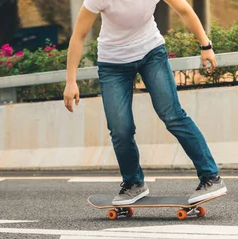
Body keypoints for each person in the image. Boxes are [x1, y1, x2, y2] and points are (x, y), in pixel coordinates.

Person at [63, 0, 226, 205]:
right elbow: (78, 35)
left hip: (151, 53)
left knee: (172, 114)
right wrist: (70, 81)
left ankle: (211, 177)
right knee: (120, 128)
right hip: (113, 63)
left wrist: (206, 45)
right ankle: (133, 183)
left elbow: (184, 10)